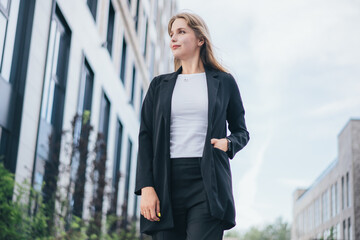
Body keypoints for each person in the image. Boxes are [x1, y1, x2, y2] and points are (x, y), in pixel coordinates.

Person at [134, 12, 250, 240]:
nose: (173, 38)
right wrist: (146, 187)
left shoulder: (224, 82)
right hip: (165, 182)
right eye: (171, 34)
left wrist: (228, 143)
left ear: (200, 39)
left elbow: (241, 131)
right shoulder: (159, 85)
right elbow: (145, 137)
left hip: (208, 182)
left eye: (181, 31)